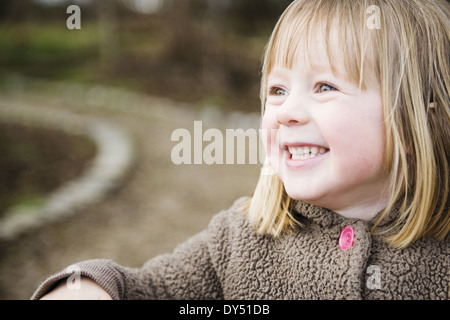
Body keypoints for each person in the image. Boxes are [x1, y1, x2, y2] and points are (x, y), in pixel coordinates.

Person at [33, 0, 449, 300]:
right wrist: (85, 287)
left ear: (414, 125)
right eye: (277, 90)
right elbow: (146, 289)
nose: (286, 111)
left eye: (325, 87)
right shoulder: (240, 240)